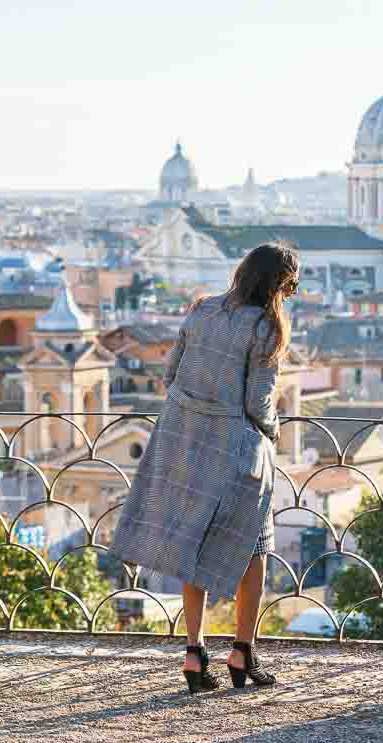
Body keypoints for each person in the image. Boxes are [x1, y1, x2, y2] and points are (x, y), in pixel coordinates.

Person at [111, 242, 299, 694]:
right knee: (254, 548)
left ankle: (194, 654)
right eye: (291, 285)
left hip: (186, 442)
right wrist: (272, 432)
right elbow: (258, 401)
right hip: (236, 450)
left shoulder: (202, 310)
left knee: (192, 544)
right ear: (279, 284)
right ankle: (242, 652)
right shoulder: (267, 327)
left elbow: (170, 373)